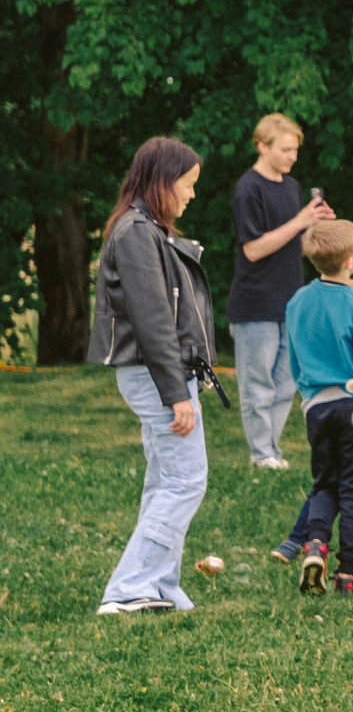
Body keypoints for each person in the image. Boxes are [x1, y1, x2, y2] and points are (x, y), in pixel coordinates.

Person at [89, 137, 218, 617]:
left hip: (160, 374)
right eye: (188, 185)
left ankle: (160, 584)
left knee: (166, 477)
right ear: (164, 182)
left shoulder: (144, 230)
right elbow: (153, 320)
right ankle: (127, 589)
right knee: (187, 478)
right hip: (155, 375)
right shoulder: (136, 234)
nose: (191, 194)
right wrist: (175, 394)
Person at [277, 219, 353, 593]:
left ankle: (314, 546)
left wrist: (308, 396)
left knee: (325, 485)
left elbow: (293, 357)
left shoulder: (297, 301)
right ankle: (346, 575)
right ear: (349, 260)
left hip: (316, 408)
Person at [226, 115, 332, 471]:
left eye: (295, 150)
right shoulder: (248, 189)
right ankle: (261, 454)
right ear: (262, 146)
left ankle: (270, 451)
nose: (292, 157)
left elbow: (292, 246)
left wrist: (315, 230)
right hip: (255, 302)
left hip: (291, 301)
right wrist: (299, 222)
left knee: (285, 384)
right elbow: (253, 249)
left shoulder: (292, 187)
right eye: (285, 149)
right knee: (258, 386)